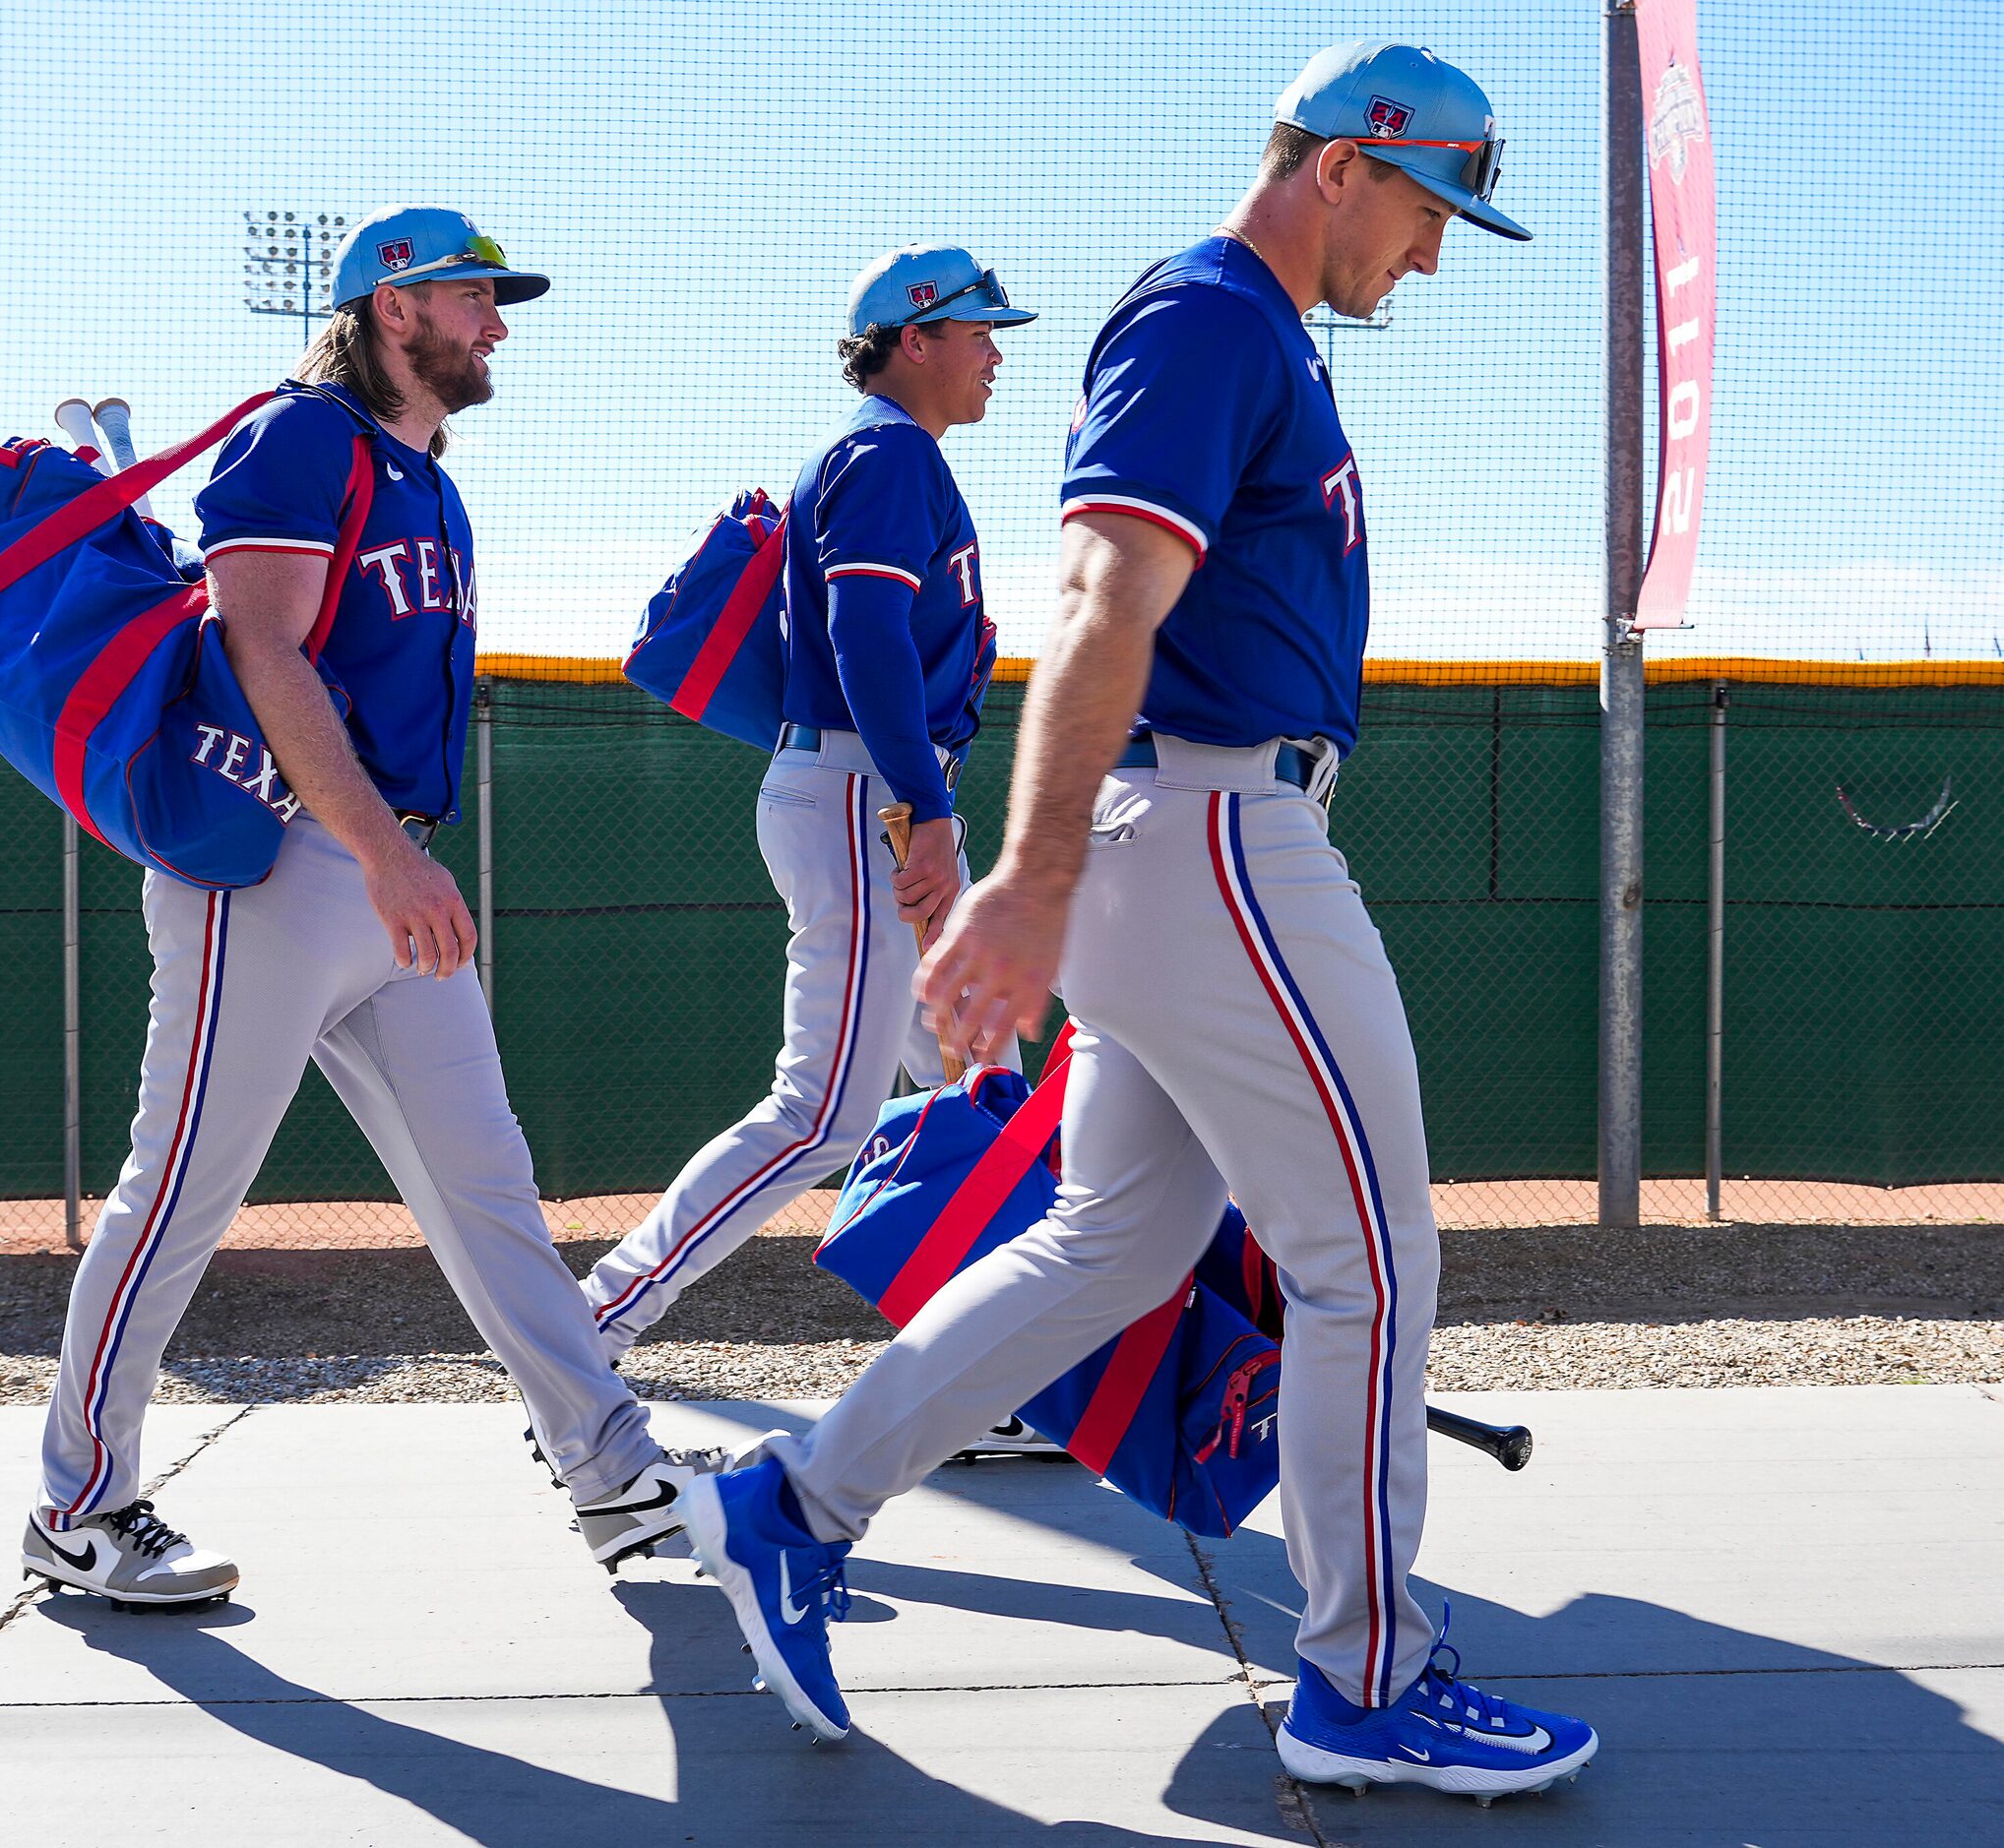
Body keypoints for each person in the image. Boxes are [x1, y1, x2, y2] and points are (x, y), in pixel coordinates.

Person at [676, 45, 1601, 1805]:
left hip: (1184, 827)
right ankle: (1367, 1680)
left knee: (1111, 1239)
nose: (1430, 253)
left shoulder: (1252, 331)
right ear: (1339, 165)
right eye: (1425, 208)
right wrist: (1021, 881)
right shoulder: (1212, 316)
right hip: (1210, 830)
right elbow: (1102, 587)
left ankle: (790, 1503)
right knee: (1373, 1262)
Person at [25, 206, 720, 1607]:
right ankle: (77, 1506)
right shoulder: (296, 437)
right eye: (473, 299)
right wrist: (383, 854)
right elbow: (259, 647)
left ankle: (614, 1473)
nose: (496, 325)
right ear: (393, 310)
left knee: (489, 1189)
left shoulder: (427, 481)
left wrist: (398, 856)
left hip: (384, 870)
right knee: (177, 1197)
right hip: (272, 871)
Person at [576, 247, 1034, 1407]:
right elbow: (864, 638)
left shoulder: (901, 458)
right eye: (977, 330)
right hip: (864, 794)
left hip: (874, 788)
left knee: (980, 1088)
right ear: (912, 339)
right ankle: (592, 1320)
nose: (995, 352)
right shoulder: (882, 454)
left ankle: (999, 1374)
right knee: (825, 1110)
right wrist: (920, 811)